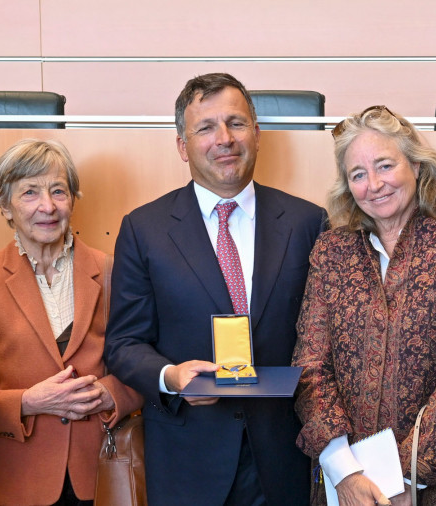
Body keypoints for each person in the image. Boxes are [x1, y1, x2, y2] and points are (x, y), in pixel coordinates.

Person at [103, 72, 326, 505]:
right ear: (182, 147)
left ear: (257, 134)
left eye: (236, 123)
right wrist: (170, 377)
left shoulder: (308, 222)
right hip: (187, 461)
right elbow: (124, 343)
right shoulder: (144, 230)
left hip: (284, 458)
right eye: (206, 128)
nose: (224, 138)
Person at [293, 106, 436, 506]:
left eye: (385, 165)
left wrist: (405, 478)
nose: (374, 184)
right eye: (358, 174)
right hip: (343, 486)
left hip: (431, 485)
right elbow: (310, 366)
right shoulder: (332, 250)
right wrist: (345, 471)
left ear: (416, 165)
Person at [0, 139, 142, 506]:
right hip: (17, 481)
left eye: (58, 191)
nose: (47, 206)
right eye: (29, 192)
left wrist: (109, 394)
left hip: (102, 473)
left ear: (73, 199)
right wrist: (28, 401)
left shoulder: (112, 271)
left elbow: (143, 364)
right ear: (5, 205)